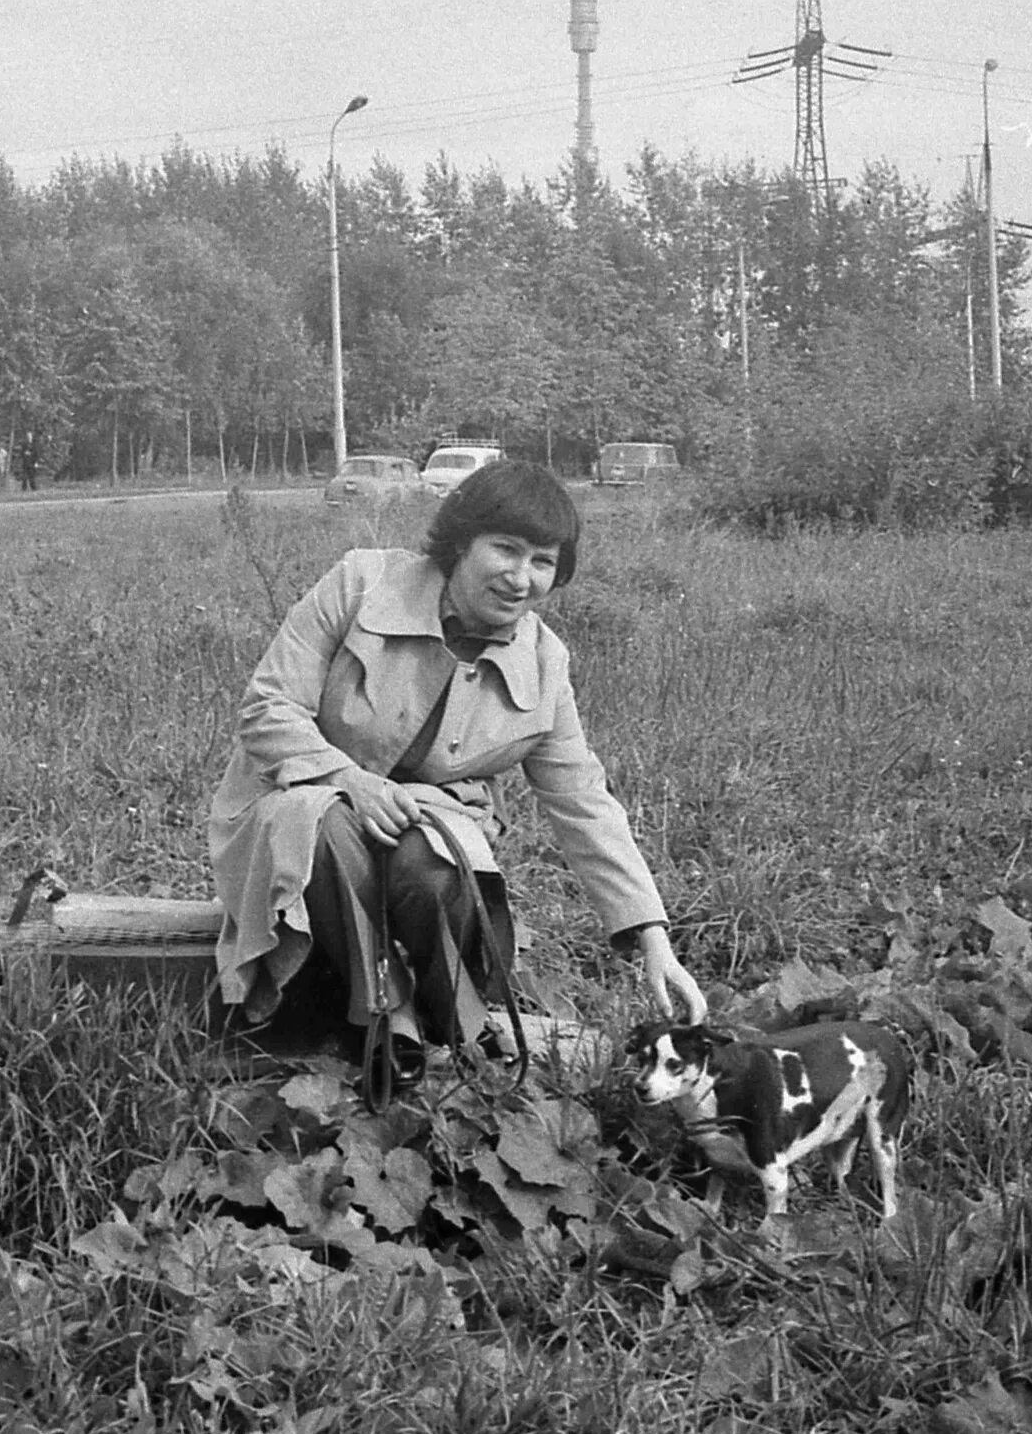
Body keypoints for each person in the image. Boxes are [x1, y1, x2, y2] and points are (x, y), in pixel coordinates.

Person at [206, 459, 703, 1095]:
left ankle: (445, 1024)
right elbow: (268, 707)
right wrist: (348, 779)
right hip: (293, 808)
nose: (521, 578)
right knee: (325, 823)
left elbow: (582, 798)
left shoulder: (546, 664)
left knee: (434, 861)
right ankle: (394, 1026)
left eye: (544, 561)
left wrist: (652, 938)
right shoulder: (360, 584)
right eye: (506, 549)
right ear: (461, 541)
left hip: (423, 833)